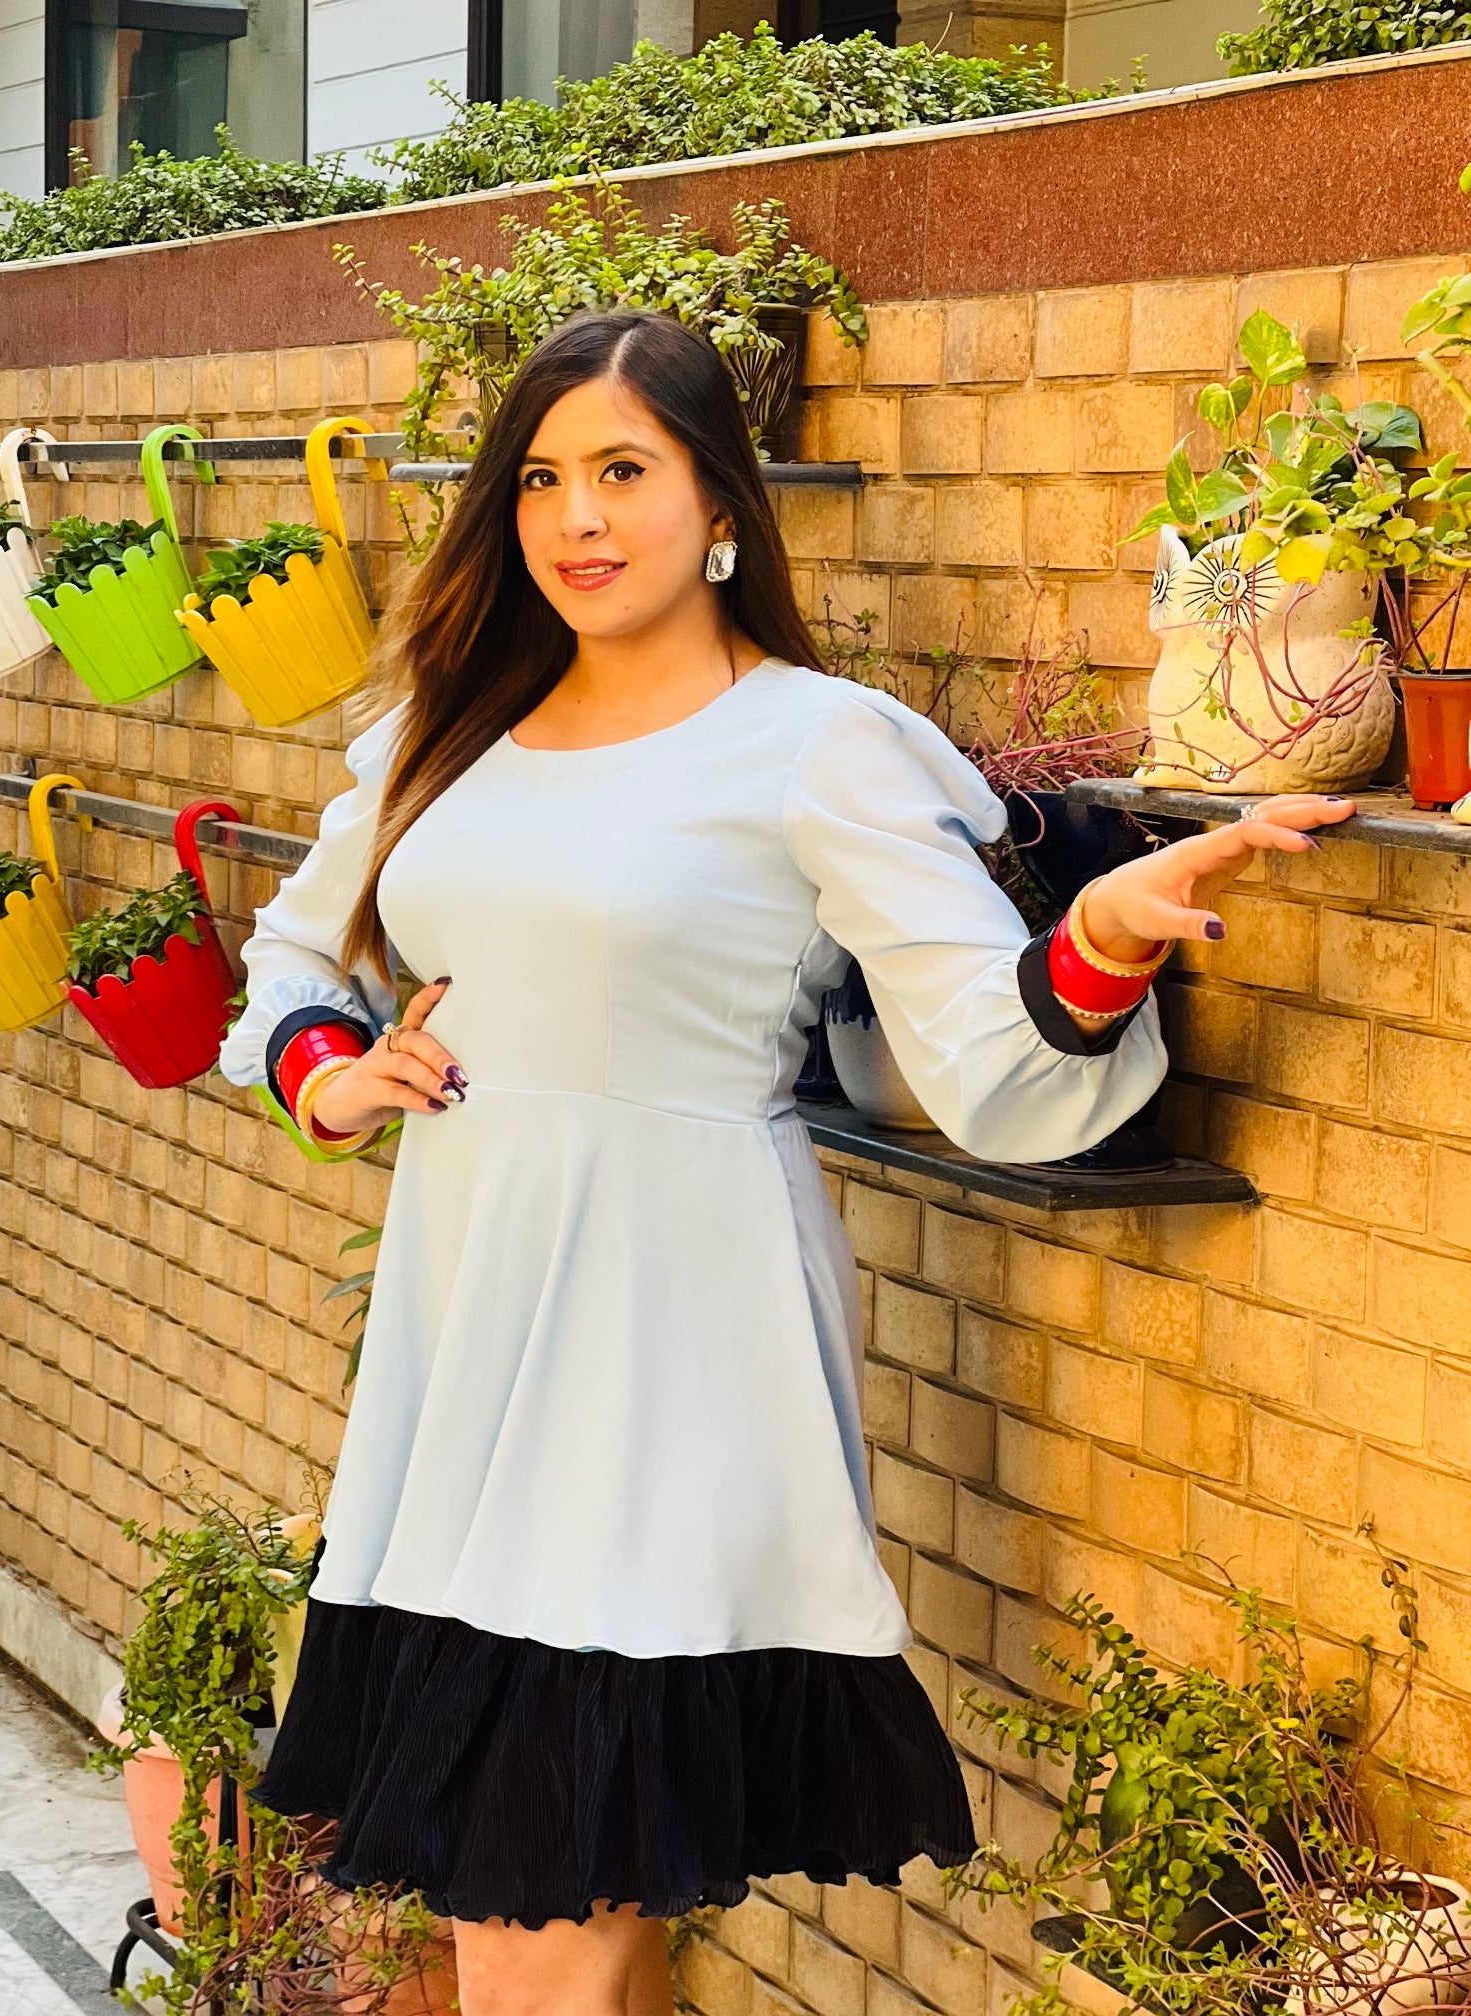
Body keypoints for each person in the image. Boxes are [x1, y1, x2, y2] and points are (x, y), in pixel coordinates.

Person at [218, 308, 1354, 2015]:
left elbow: (984, 1063)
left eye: (624, 471)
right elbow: (296, 957)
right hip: (466, 1337)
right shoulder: (440, 730)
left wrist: (1107, 937)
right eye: (540, 479)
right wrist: (332, 1069)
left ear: (722, 509)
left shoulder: (818, 742)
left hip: (674, 1338)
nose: (576, 519)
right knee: (554, 1913)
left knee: (540, 1922)